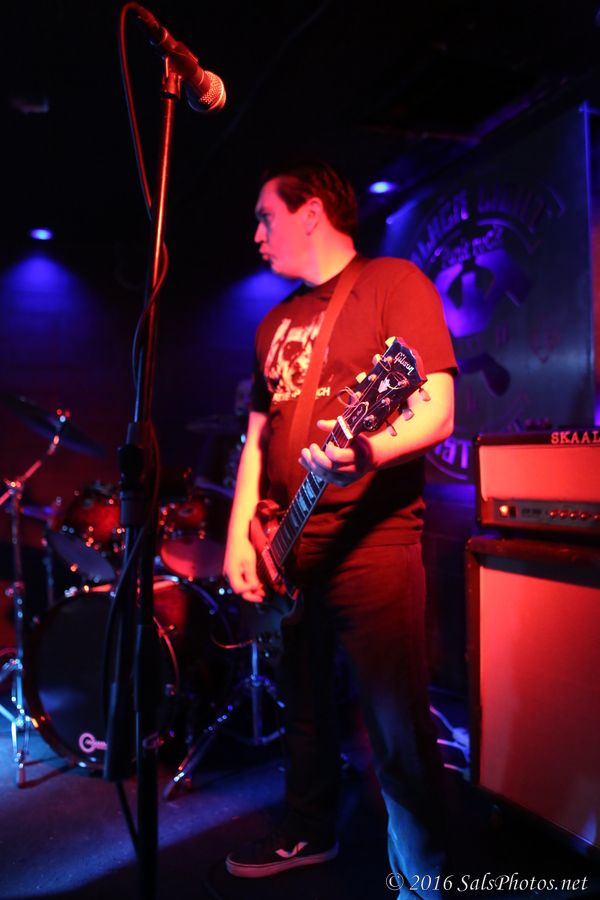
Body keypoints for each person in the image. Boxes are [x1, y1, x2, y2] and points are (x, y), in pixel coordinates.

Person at [222, 158, 457, 893]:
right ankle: (308, 829)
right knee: (305, 713)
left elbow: (438, 407)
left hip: (372, 543)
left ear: (312, 212)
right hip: (287, 546)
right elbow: (256, 439)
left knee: (397, 728)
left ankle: (425, 880)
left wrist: (370, 451)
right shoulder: (272, 322)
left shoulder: (393, 284)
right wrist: (239, 533)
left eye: (265, 216)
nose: (257, 234)